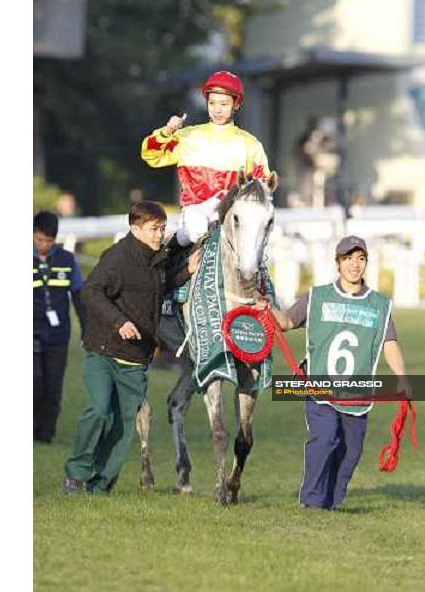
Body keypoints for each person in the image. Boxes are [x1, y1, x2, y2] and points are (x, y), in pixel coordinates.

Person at [258, 236, 410, 510]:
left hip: (357, 395)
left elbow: (390, 345)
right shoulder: (317, 296)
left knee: (351, 453)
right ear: (338, 263)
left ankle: (330, 501)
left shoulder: (379, 305)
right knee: (326, 437)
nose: (355, 264)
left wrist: (402, 379)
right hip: (320, 389)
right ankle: (312, 501)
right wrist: (268, 307)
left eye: (360, 258)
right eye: (348, 258)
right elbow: (287, 322)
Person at [62, 201, 200, 495]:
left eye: (162, 228)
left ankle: (99, 487)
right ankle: (75, 476)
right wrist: (119, 321)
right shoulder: (116, 257)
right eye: (154, 229)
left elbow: (159, 287)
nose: (159, 234)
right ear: (135, 228)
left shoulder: (158, 259)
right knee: (98, 412)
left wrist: (187, 270)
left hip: (136, 359)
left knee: (124, 428)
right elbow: (91, 291)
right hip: (103, 351)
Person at [141, 70, 270, 251]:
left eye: (224, 104)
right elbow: (151, 156)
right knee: (197, 230)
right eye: (212, 103)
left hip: (230, 214)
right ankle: (167, 254)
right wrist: (167, 132)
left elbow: (262, 184)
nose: (217, 109)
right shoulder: (187, 136)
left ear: (236, 104)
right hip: (195, 211)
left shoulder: (250, 144)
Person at [33, 210, 87, 444]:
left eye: (48, 241)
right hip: (31, 331)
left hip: (58, 334)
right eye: (39, 239)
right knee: (34, 382)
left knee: (54, 386)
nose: (43, 245)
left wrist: (87, 328)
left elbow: (78, 296)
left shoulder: (67, 260)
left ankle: (46, 435)